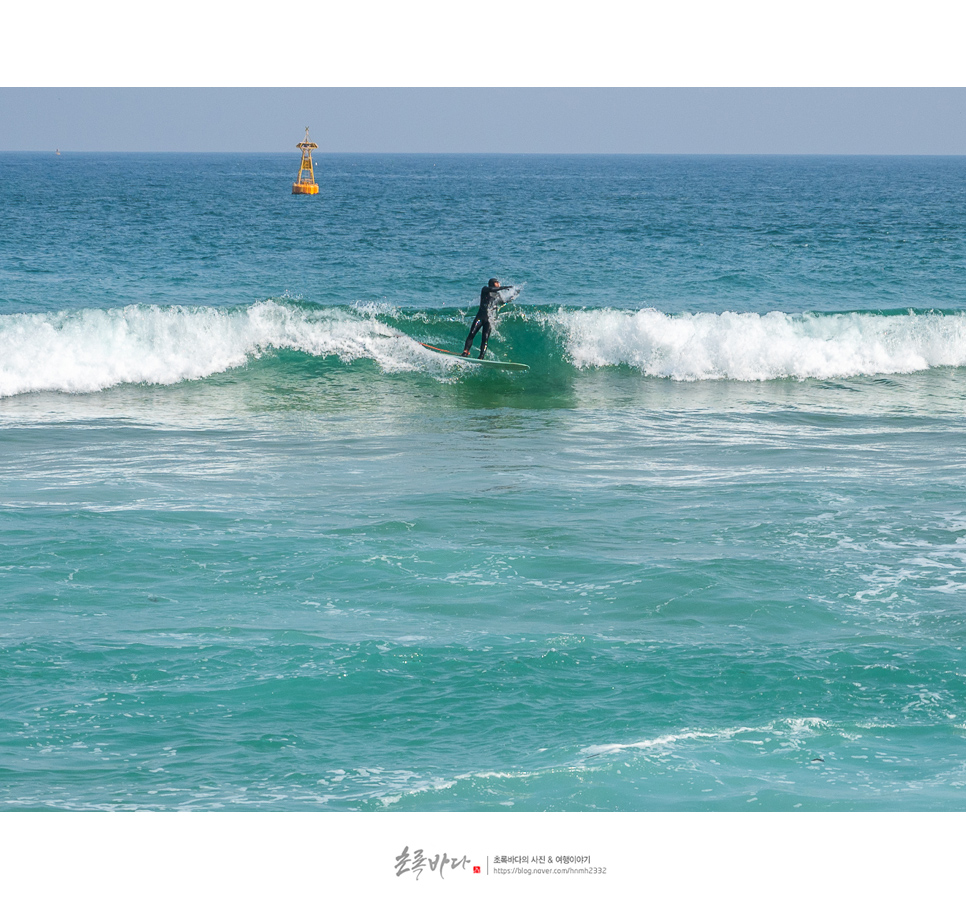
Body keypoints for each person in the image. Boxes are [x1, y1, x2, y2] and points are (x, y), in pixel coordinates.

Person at [462, 278, 515, 358]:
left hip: (489, 319)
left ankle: (481, 356)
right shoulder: (485, 289)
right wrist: (503, 287)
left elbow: (503, 302)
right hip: (480, 317)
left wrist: (513, 296)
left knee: (485, 338)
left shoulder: (498, 295)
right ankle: (465, 352)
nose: (499, 283)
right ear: (493, 283)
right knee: (472, 333)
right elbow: (492, 289)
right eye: (497, 282)